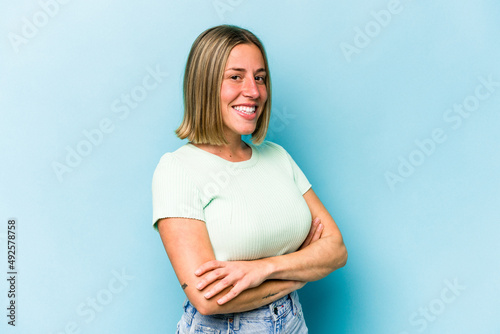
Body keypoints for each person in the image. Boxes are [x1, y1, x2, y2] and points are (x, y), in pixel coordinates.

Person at [152, 24, 347, 333]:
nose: (254, 92)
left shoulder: (278, 157)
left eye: (260, 78)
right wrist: (303, 269)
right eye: (235, 77)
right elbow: (208, 299)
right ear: (204, 84)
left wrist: (263, 269)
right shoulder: (178, 169)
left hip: (292, 321)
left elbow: (335, 249)